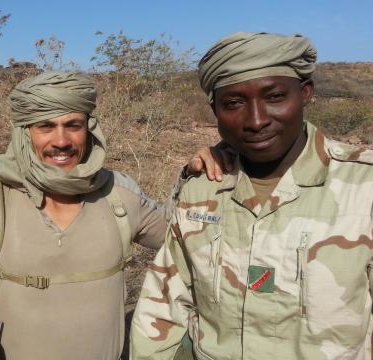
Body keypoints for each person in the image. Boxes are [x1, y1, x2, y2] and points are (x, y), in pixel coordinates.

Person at [130, 32, 373, 359]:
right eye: (234, 103)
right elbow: (165, 306)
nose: (256, 121)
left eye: (274, 97)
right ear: (215, 109)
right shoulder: (203, 187)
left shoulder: (364, 185)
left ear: (305, 94)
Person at [0, 71, 227, 360]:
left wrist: (197, 176)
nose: (61, 141)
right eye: (45, 126)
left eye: (73, 125)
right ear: (24, 133)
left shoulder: (118, 194)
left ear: (89, 130)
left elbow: (187, 235)